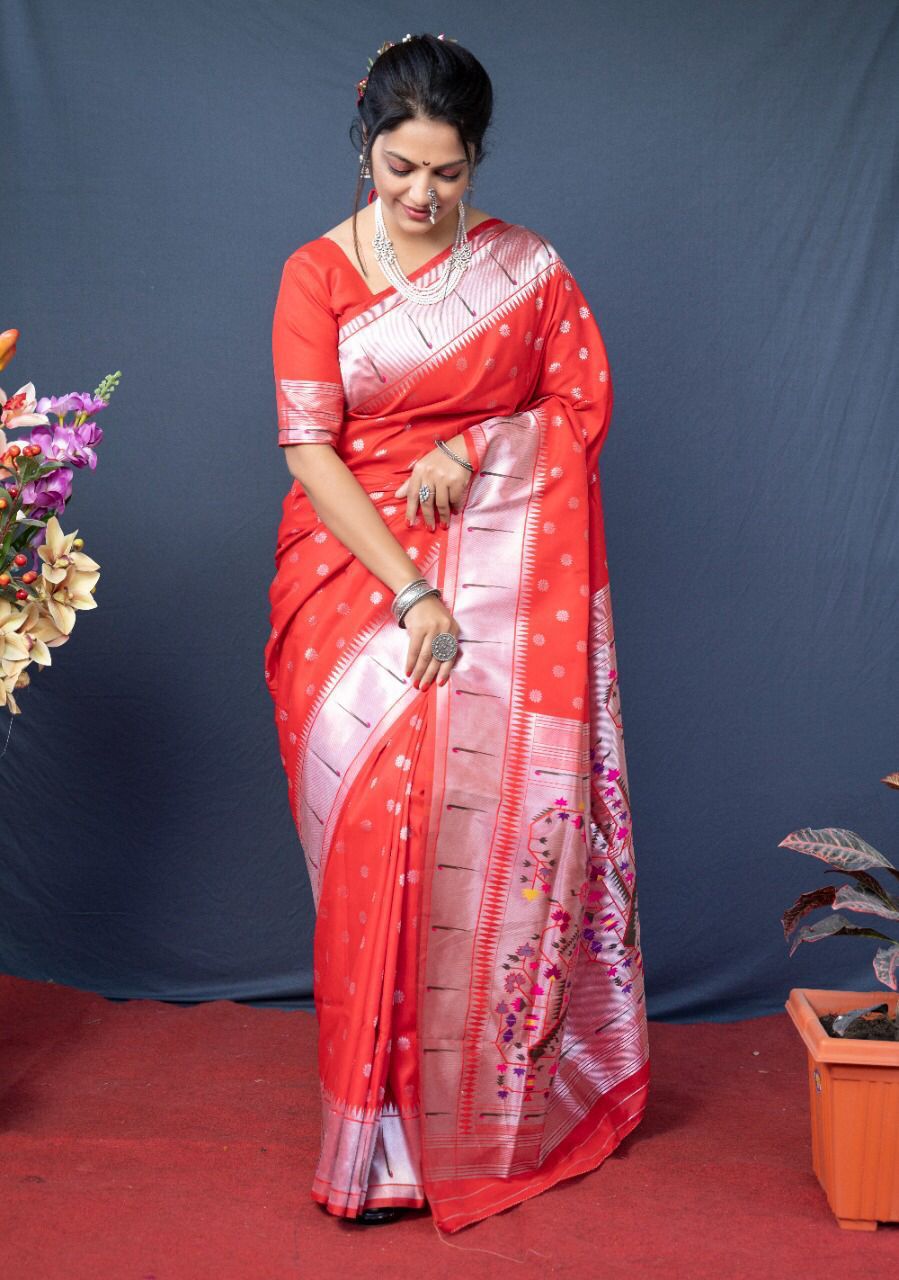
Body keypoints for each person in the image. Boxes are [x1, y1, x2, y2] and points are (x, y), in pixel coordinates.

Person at [264, 32, 649, 1233]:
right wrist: (409, 590)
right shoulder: (314, 274)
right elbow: (308, 449)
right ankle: (372, 1134)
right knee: (377, 834)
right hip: (347, 571)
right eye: (398, 171)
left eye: (447, 172)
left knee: (465, 826)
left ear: (476, 159)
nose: (423, 198)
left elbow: (573, 399)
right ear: (363, 149)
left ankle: (474, 1116)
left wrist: (474, 444)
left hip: (496, 555)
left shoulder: (526, 270)